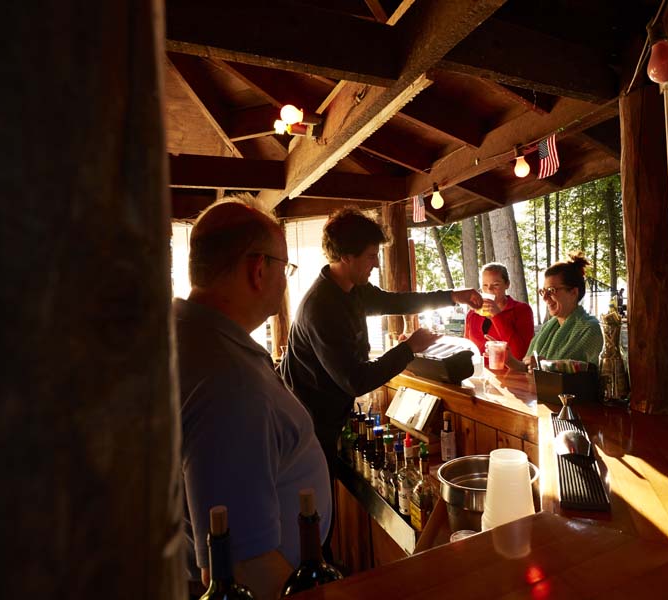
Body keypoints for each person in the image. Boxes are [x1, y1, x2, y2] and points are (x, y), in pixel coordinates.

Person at [173, 200, 331, 600]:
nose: (285, 280)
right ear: (258, 270)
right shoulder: (227, 381)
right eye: (285, 267)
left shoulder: (192, 337)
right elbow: (242, 568)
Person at [280, 208, 482, 464]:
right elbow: (356, 380)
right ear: (346, 257)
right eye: (371, 256)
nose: (376, 263)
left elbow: (398, 302)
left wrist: (452, 296)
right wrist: (409, 348)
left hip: (325, 420)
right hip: (306, 427)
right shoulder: (322, 307)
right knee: (316, 502)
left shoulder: (353, 289)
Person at [510, 252, 604, 369]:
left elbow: (599, 375)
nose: (545, 297)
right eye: (543, 291)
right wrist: (507, 358)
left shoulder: (591, 330)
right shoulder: (548, 328)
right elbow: (526, 367)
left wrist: (547, 365)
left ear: (573, 292)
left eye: (552, 290)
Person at [463, 262, 534, 360]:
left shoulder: (521, 310)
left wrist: (497, 316)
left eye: (495, 285)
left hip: (511, 373)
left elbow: (520, 354)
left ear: (507, 284)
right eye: (485, 285)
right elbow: (467, 349)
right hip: (479, 372)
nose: (489, 289)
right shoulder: (472, 314)